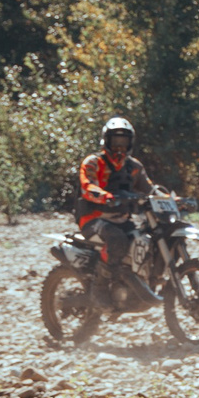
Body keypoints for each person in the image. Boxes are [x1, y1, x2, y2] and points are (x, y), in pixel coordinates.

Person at [75, 116, 154, 287]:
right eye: (115, 141)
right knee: (117, 239)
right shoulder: (93, 162)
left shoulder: (134, 167)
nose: (119, 147)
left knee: (147, 239)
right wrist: (106, 197)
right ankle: (100, 288)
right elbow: (87, 187)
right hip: (93, 218)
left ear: (130, 143)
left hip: (122, 218)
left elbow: (151, 190)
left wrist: (175, 200)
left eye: (124, 142)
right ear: (106, 141)